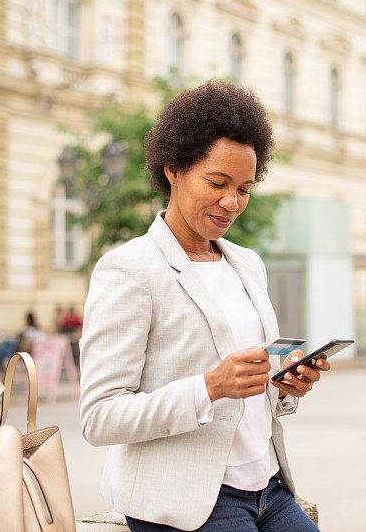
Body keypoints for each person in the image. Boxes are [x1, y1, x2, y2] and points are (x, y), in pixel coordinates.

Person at [78, 82, 327, 532]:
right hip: (190, 499)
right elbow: (100, 417)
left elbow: (252, 390)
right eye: (217, 183)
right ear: (173, 169)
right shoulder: (129, 269)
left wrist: (285, 384)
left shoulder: (247, 263)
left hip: (268, 486)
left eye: (245, 189)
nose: (232, 202)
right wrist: (209, 387)